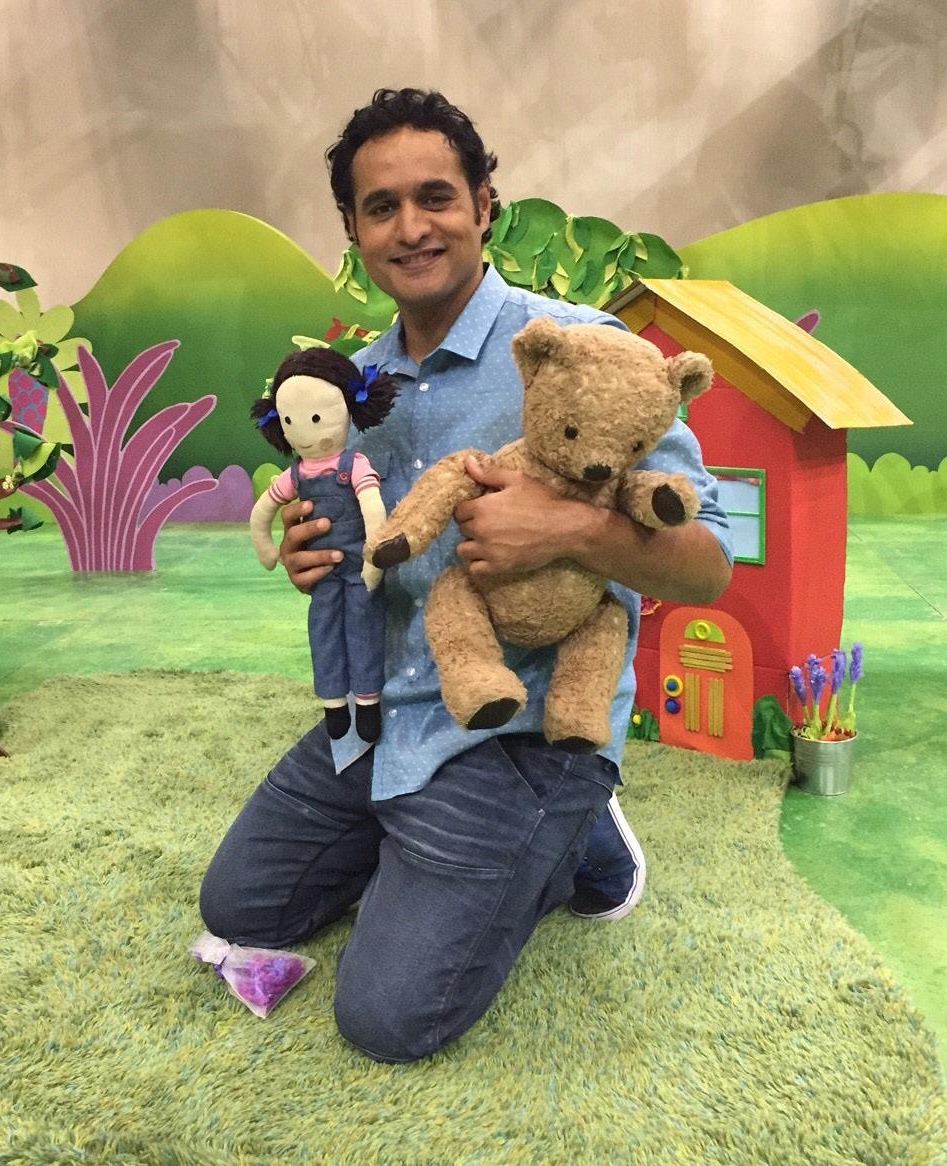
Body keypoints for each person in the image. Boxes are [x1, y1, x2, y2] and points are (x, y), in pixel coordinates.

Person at [200, 88, 733, 1063]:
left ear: (486, 205)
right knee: (241, 907)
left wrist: (572, 529)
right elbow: (365, 537)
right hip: (384, 709)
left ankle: (575, 833)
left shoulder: (584, 348)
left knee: (388, 1016)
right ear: (353, 231)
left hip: (525, 727)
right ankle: (486, 844)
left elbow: (712, 563)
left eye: (436, 197)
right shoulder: (350, 389)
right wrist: (317, 563)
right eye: (381, 207)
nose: (412, 227)